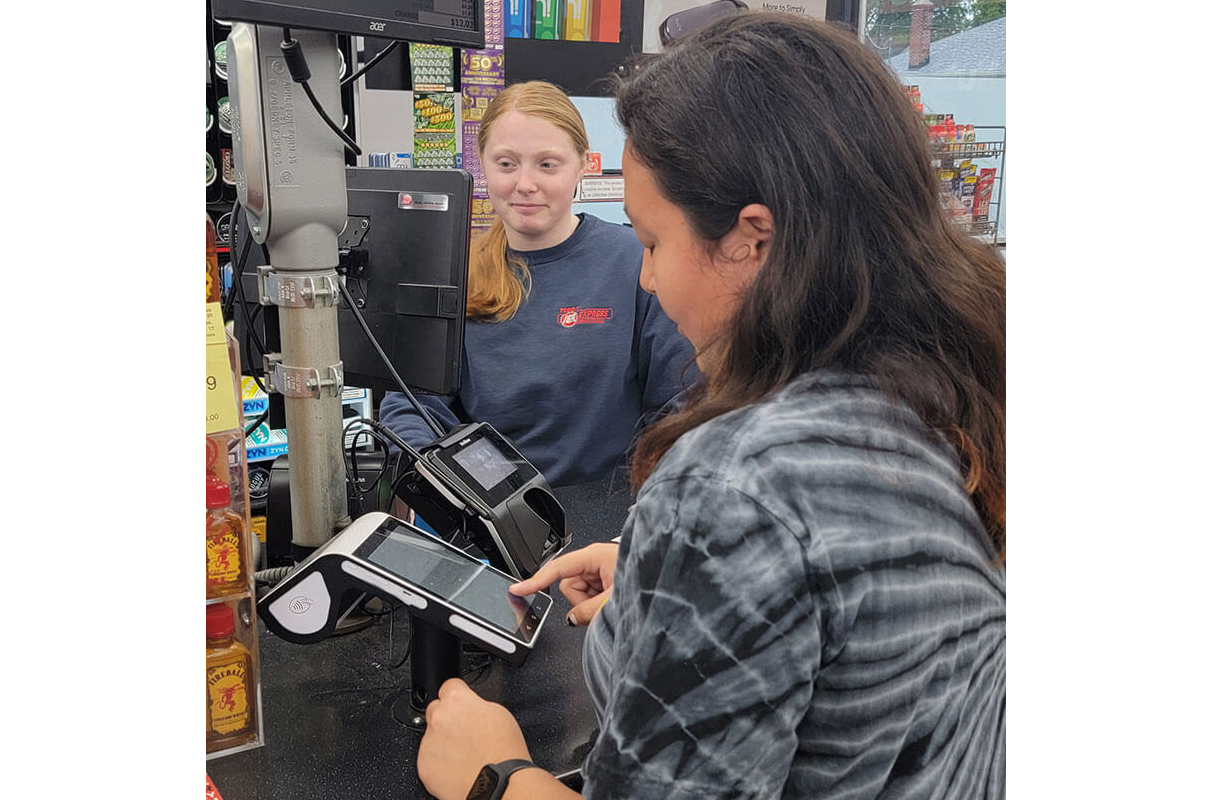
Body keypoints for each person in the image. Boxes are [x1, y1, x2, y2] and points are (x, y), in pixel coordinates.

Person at [416, 12, 1006, 800]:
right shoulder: (942, 389)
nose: (647, 279)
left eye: (653, 242)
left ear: (751, 241)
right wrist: (685, 579)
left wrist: (494, 773)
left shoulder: (736, 489)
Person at [378, 81, 697, 489]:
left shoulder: (639, 262)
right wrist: (450, 493)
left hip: (614, 516)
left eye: (548, 164)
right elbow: (412, 406)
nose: (525, 184)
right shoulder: (453, 274)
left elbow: (678, 413)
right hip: (490, 520)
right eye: (507, 164)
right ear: (481, 164)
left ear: (584, 163)